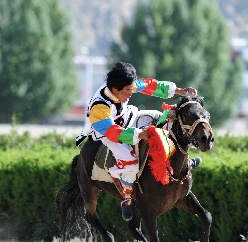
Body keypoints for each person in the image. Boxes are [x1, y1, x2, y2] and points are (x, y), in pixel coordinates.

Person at [76, 62, 201, 221]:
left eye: (132, 88)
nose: (131, 93)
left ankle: (185, 161)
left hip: (127, 118)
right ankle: (128, 199)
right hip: (106, 134)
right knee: (130, 162)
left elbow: (150, 85)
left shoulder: (125, 84)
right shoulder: (99, 108)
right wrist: (139, 134)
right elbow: (113, 133)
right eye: (128, 91)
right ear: (115, 90)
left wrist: (179, 91)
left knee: (161, 117)